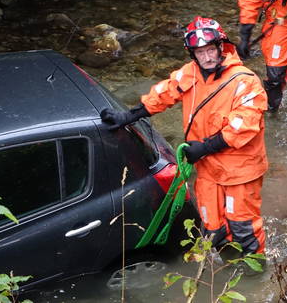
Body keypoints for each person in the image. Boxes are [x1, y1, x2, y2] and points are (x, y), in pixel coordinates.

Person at [100, 16, 268, 254]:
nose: (207, 58)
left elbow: (243, 126)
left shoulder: (245, 82)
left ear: (221, 47)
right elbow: (165, 93)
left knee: (243, 228)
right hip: (207, 167)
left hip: (240, 170)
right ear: (193, 54)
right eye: (200, 52)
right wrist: (129, 116)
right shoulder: (191, 73)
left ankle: (254, 271)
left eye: (211, 50)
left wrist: (204, 148)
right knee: (213, 228)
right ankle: (228, 267)